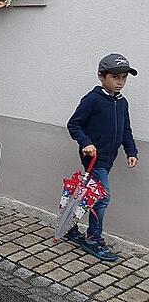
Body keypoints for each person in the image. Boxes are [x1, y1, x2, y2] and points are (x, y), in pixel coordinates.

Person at [65, 53, 139, 262]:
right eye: (115, 77)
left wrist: (131, 152)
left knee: (87, 194)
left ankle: (70, 226)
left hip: (108, 159)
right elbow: (74, 124)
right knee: (102, 197)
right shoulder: (92, 100)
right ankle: (93, 239)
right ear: (101, 76)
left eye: (124, 77)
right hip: (93, 159)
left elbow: (126, 129)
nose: (120, 82)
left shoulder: (122, 103)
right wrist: (85, 142)